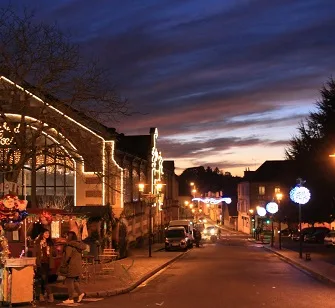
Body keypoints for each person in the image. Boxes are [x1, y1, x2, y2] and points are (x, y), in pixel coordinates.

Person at [61, 231, 87, 304]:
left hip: (71, 265)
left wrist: (64, 264)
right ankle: (80, 293)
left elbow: (67, 256)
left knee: (69, 281)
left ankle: (70, 298)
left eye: (66, 236)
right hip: (77, 265)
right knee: (74, 280)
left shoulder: (69, 245)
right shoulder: (78, 245)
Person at [34, 229, 55, 303]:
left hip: (47, 263)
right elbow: (35, 253)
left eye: (48, 233)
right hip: (40, 263)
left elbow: (54, 253)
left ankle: (47, 295)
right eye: (46, 233)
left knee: (44, 279)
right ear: (42, 234)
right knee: (42, 279)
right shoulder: (38, 242)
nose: (47, 234)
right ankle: (44, 295)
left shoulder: (50, 243)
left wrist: (51, 250)